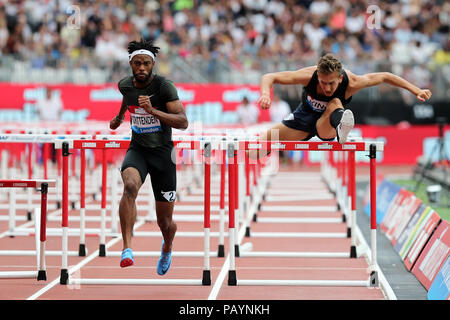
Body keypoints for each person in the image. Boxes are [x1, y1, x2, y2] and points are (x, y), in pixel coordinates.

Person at [109, 39, 188, 275]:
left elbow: (183, 122)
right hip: (138, 149)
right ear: (131, 64)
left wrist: (152, 110)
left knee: (166, 223)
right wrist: (120, 116)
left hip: (164, 155)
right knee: (129, 186)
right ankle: (127, 249)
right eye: (137, 64)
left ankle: (168, 245)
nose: (141, 68)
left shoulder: (165, 86)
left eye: (145, 63)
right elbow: (129, 97)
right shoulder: (125, 85)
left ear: (152, 64)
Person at [256, 53, 432, 155]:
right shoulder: (308, 75)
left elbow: (385, 76)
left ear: (340, 79)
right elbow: (269, 77)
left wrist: (415, 90)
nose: (326, 87)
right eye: (323, 82)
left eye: (331, 83)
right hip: (303, 118)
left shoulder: (352, 82)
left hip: (327, 123)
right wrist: (265, 94)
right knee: (257, 148)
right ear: (318, 76)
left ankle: (342, 125)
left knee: (334, 101)